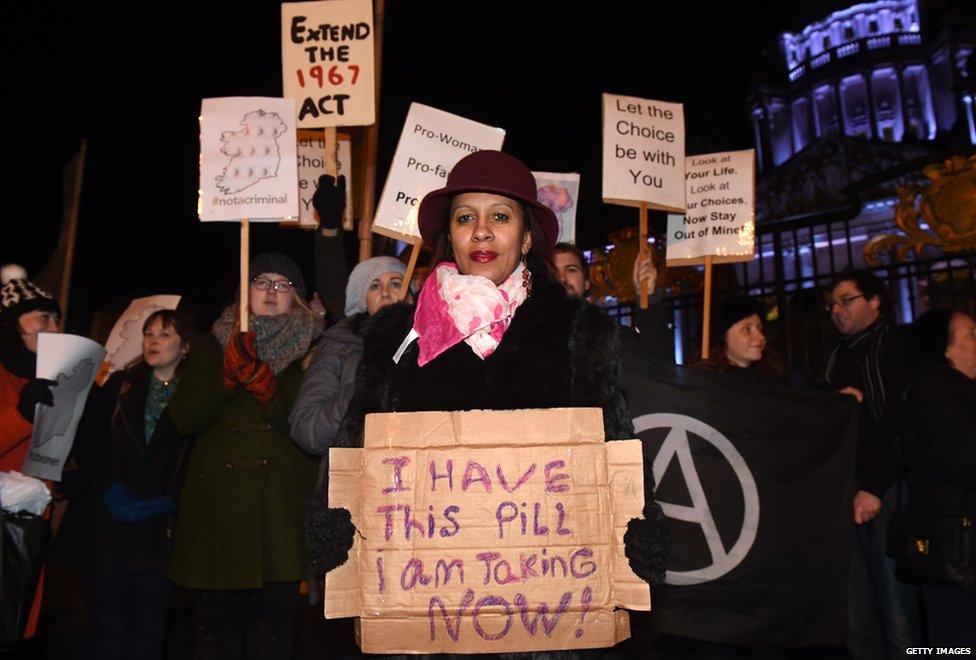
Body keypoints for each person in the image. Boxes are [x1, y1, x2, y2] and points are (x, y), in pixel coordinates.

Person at [306, 150, 668, 605]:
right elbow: (355, 442)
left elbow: (617, 439)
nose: (482, 231)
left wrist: (641, 516)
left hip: (548, 601)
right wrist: (331, 512)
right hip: (424, 601)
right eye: (465, 218)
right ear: (450, 236)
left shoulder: (581, 332)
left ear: (528, 238)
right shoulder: (397, 335)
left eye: (500, 215)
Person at [165, 253, 320, 659]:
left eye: (283, 284)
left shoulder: (314, 349)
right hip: (217, 517)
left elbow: (315, 429)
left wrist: (270, 389)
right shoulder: (214, 344)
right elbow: (183, 418)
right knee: (214, 637)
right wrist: (226, 377)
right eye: (261, 281)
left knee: (272, 638)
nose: (271, 291)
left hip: (278, 518)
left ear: (297, 298)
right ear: (244, 291)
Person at [58, 309, 192, 660]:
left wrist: (170, 500)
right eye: (149, 333)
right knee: (106, 627)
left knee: (147, 631)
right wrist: (110, 487)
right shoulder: (121, 385)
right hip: (109, 527)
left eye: (164, 334)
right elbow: (89, 442)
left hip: (159, 534)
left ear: (186, 346)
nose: (153, 341)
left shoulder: (195, 396)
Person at [820, 270, 921, 659]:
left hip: (884, 490)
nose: (837, 310)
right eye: (833, 303)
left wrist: (874, 488)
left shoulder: (894, 348)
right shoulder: (835, 355)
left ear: (875, 301)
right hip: (845, 489)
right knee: (857, 607)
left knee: (896, 607)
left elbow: (895, 423)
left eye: (847, 300)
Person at [290, 255, 407, 484]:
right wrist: (361, 387)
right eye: (375, 286)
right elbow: (306, 429)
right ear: (363, 300)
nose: (385, 292)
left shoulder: (431, 343)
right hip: (355, 485)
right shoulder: (340, 346)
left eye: (395, 283)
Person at [901, 309, 976, 647]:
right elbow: (961, 459)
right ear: (944, 349)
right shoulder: (933, 393)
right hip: (955, 545)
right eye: (971, 334)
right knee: (957, 640)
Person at [0, 264, 60, 642]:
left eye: (57, 319)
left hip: (25, 532)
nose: (54, 329)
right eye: (43, 319)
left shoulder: (52, 377)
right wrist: (22, 414)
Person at [697, 295, 779, 379]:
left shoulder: (773, 377)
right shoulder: (710, 380)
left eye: (760, 329)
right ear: (724, 337)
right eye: (747, 330)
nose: (761, 337)